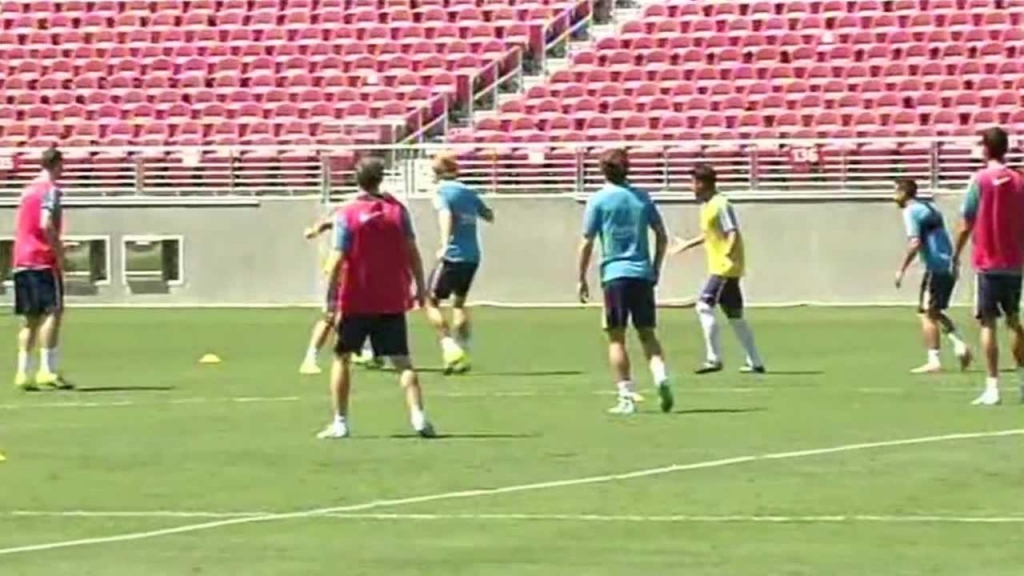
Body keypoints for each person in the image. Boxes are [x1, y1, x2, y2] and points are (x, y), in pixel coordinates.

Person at [316, 157, 434, 438]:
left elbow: (335, 262)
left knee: (342, 357)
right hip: (392, 298)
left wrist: (329, 300)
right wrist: (420, 286)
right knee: (403, 362)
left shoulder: (348, 214)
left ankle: (340, 422)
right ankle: (419, 418)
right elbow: (413, 252)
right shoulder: (398, 211)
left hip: (356, 298)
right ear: (381, 179)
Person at [577, 148, 674, 415]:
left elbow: (586, 241)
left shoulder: (598, 200)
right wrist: (655, 267)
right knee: (647, 334)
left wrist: (581, 277)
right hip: (642, 274)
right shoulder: (641, 198)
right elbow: (662, 235)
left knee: (616, 338)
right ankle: (660, 377)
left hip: (615, 275)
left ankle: (626, 396)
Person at [952, 127, 1024, 406]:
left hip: (988, 261)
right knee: (1014, 320)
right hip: (1014, 262)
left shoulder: (979, 180)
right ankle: (1021, 380)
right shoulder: (1019, 180)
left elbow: (966, 221)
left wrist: (955, 254)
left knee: (988, 324)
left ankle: (992, 386)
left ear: (985, 149)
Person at [672, 164, 765, 375]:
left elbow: (731, 231)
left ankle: (714, 359)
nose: (691, 188)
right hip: (722, 266)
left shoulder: (721, 204)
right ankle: (755, 361)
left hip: (725, 268)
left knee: (704, 306)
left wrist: (728, 253)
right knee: (735, 316)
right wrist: (686, 244)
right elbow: (711, 235)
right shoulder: (707, 206)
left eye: (693, 183)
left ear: (703, 184)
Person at [423, 152, 494, 374]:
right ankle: (463, 351)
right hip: (472, 255)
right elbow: (489, 215)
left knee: (430, 301)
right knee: (459, 304)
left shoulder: (442, 192)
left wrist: (445, 244)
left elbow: (445, 215)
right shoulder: (468, 191)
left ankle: (449, 347)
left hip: (453, 255)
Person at [892, 178, 972, 373]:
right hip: (949, 266)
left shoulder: (910, 211)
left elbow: (915, 243)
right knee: (934, 311)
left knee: (926, 314)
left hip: (936, 268)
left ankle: (934, 360)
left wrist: (901, 269)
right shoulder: (929, 208)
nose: (893, 197)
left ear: (903, 193)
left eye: (895, 191)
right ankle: (959, 344)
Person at [13, 146, 72, 391]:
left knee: (30, 319)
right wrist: (59, 251)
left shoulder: (26, 191)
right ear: (58, 164)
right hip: (42, 259)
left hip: (21, 259)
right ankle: (47, 370)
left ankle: (22, 372)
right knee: (53, 312)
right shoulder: (51, 191)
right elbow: (46, 223)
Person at [299, 211, 380, 375]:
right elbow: (327, 223)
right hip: (341, 274)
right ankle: (310, 358)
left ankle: (362, 350)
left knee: (363, 312)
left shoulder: (374, 217)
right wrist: (314, 231)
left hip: (359, 275)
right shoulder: (349, 215)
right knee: (330, 317)